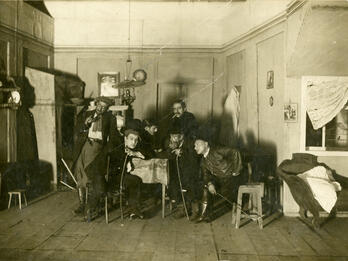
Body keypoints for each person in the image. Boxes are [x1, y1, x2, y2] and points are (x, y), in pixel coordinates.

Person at [72, 96, 114, 220]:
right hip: (85, 145)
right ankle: (82, 204)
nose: (101, 108)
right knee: (80, 172)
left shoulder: (110, 118)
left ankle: (91, 205)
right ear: (96, 104)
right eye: (99, 106)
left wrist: (106, 151)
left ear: (107, 108)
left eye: (104, 107)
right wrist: (85, 125)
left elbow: (113, 138)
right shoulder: (87, 114)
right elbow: (77, 131)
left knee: (91, 173)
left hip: (98, 148)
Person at [193, 131, 245, 223]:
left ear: (206, 143)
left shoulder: (217, 150)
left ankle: (204, 214)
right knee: (205, 187)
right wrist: (210, 184)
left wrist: (236, 171)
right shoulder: (203, 161)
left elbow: (235, 152)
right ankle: (206, 214)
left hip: (232, 179)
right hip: (221, 180)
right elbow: (206, 175)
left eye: (198, 144)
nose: (195, 147)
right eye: (195, 145)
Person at [108, 119, 153, 219]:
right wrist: (125, 156)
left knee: (135, 180)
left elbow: (150, 153)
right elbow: (113, 165)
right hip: (114, 177)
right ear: (125, 138)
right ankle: (133, 209)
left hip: (126, 176)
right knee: (135, 181)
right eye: (131, 139)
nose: (134, 142)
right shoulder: (117, 148)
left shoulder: (135, 146)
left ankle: (134, 210)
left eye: (136, 140)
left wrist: (136, 153)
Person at [165, 124, 201, 220]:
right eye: (171, 136)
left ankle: (195, 210)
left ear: (182, 136)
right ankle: (183, 208)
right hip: (179, 172)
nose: (173, 139)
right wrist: (171, 150)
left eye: (175, 136)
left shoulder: (190, 143)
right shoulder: (172, 143)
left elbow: (194, 159)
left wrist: (181, 152)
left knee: (190, 185)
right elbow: (167, 156)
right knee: (174, 184)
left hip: (191, 171)